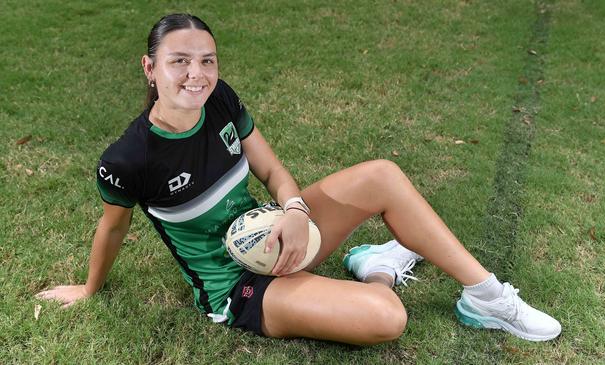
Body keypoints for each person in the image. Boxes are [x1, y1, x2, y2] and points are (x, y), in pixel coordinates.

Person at [36, 13, 561, 344]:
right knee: (386, 318)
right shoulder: (129, 158)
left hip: (276, 230)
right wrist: (89, 288)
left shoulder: (219, 99)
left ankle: (485, 295)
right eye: (179, 62)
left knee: (381, 175)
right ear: (149, 68)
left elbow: (270, 170)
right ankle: (377, 268)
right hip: (238, 286)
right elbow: (113, 229)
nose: (195, 74)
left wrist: (293, 211)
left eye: (206, 60)